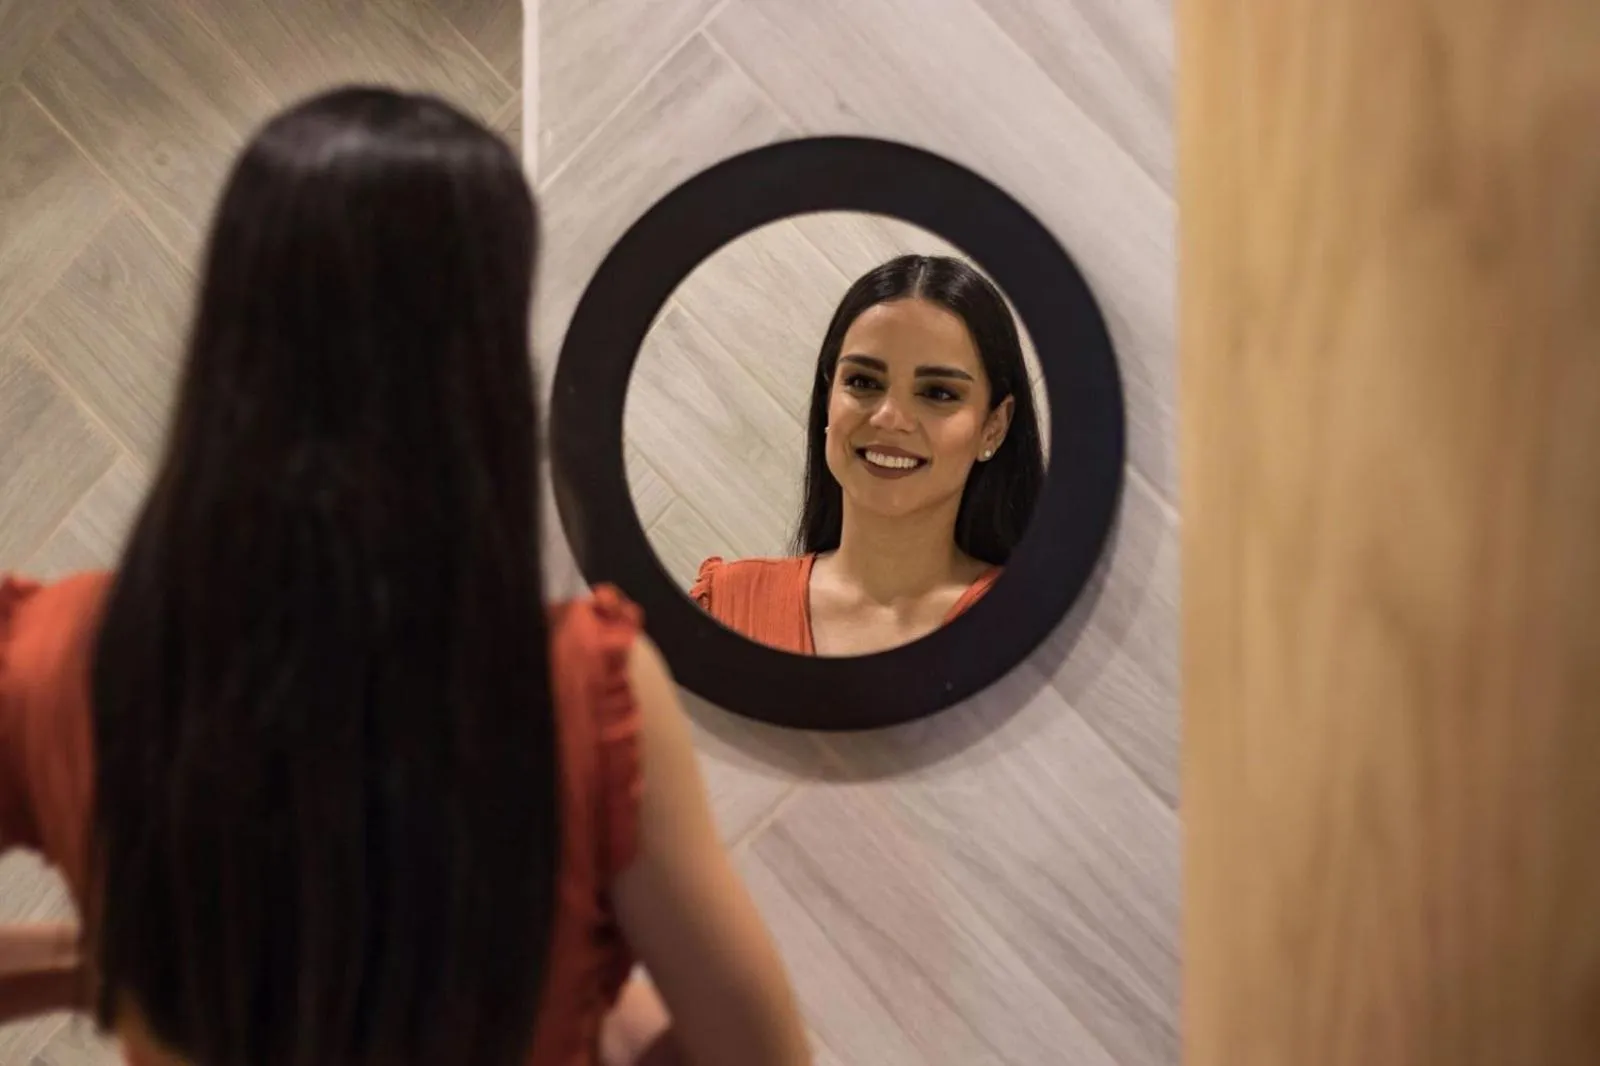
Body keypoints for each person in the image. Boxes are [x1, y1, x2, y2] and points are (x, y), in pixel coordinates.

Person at [0, 88, 810, 1066]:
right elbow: (759, 1057)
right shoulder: (581, 693)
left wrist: (109, 964)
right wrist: (603, 1013)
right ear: (483, 364)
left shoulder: (58, 661)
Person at [693, 255, 1045, 656]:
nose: (890, 418)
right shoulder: (725, 606)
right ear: (828, 398)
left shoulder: (1036, 628)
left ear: (994, 425)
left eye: (938, 393)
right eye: (863, 382)